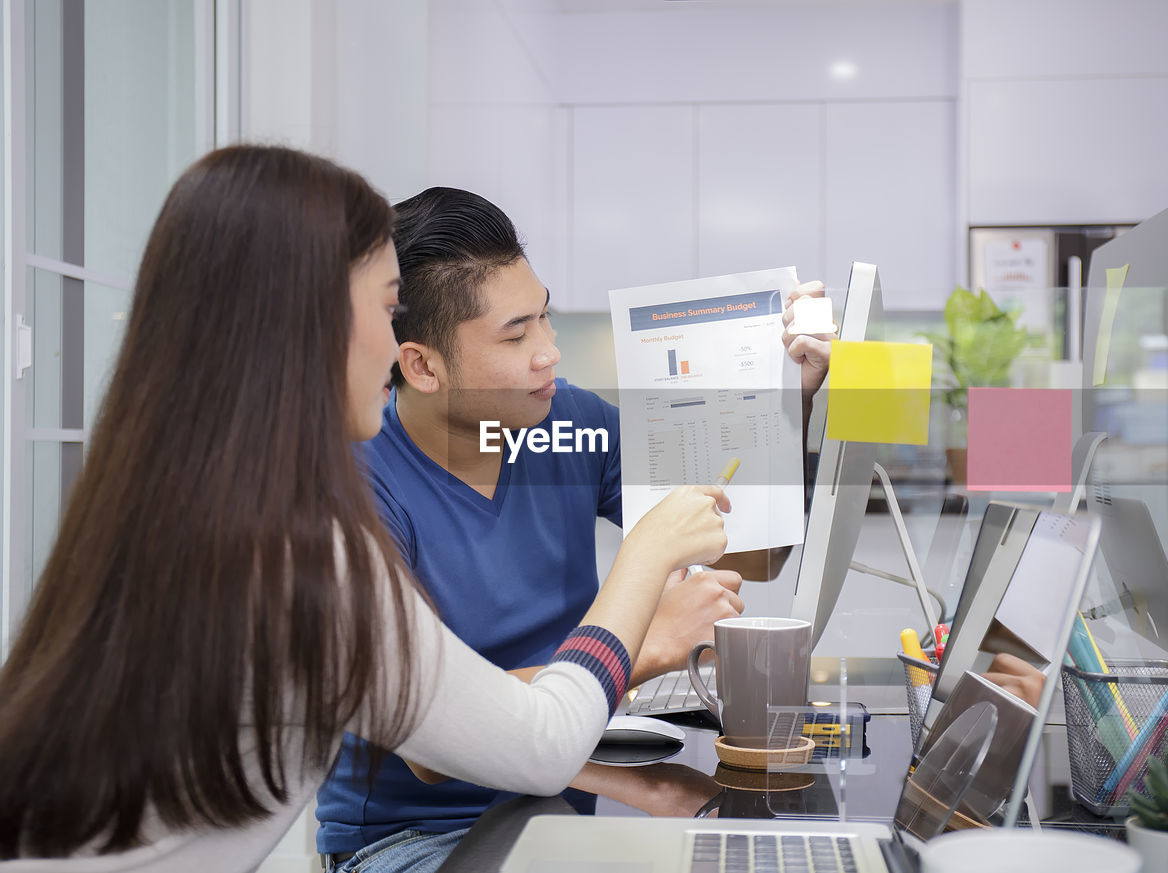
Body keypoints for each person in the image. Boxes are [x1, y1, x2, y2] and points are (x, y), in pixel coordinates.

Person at [0, 145, 730, 872]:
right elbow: (535, 743)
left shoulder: (179, 510)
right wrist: (642, 570)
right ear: (305, 328)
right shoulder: (311, 551)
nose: (393, 344)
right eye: (386, 309)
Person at [315, 186, 834, 871]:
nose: (549, 352)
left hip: (550, 802)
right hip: (410, 839)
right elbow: (434, 746)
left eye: (545, 319)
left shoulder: (570, 423)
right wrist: (647, 643)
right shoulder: (357, 485)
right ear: (422, 364)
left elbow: (754, 555)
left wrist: (783, 404)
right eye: (516, 333)